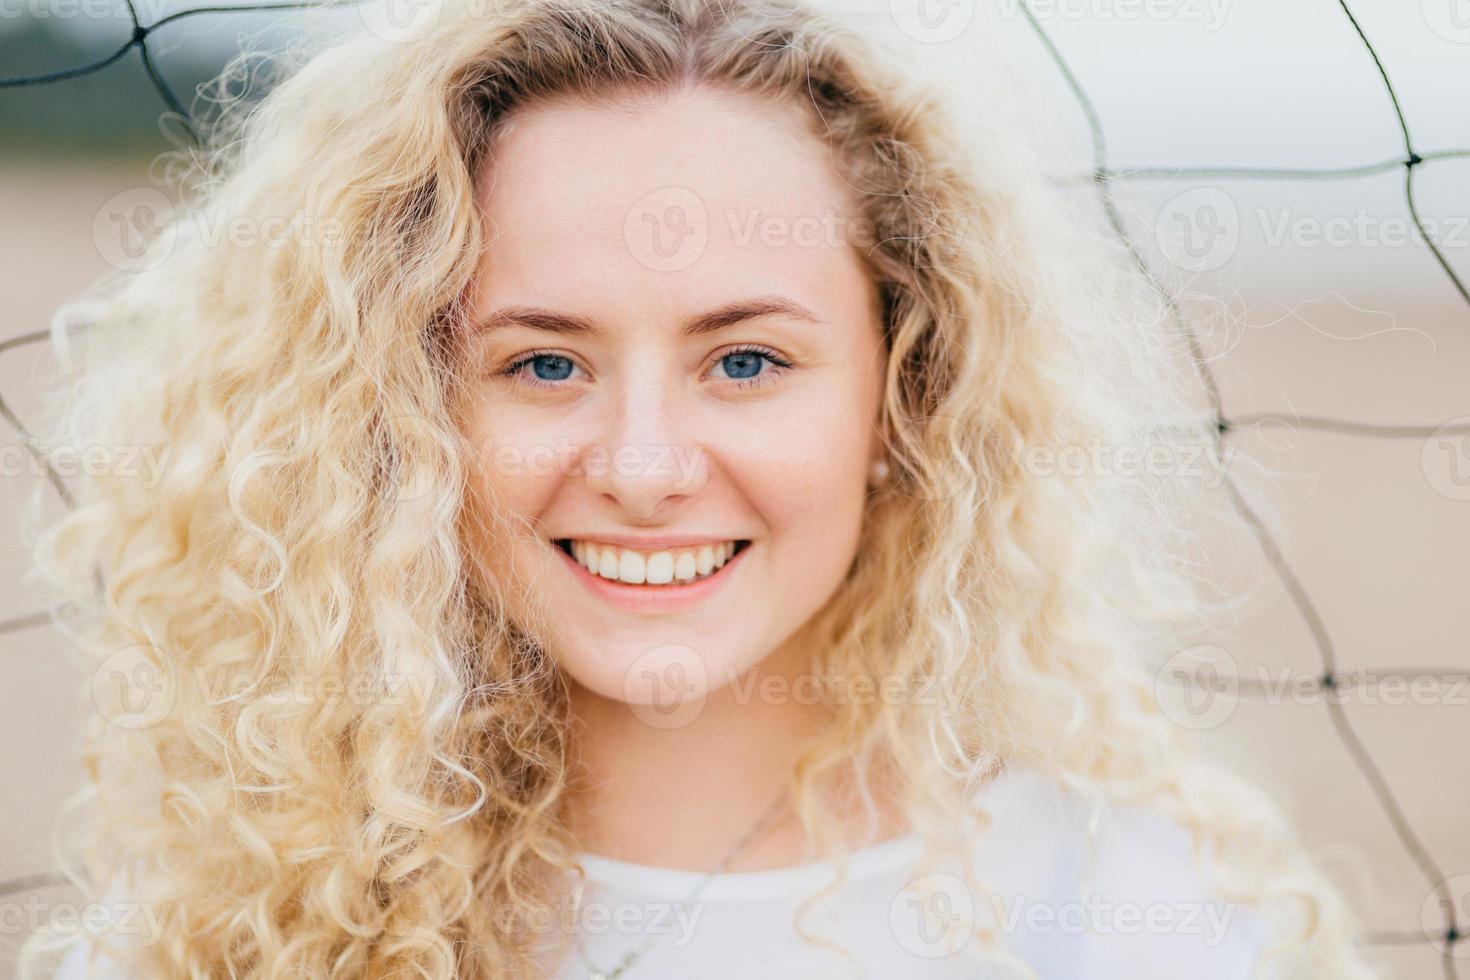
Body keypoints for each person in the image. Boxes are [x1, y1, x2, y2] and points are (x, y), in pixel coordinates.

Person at [25, 0, 1380, 977]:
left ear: (903, 398)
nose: (645, 467)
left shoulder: (1139, 922)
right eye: (543, 362)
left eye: (744, 359)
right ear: (404, 412)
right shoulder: (228, 930)